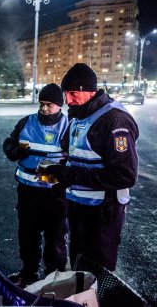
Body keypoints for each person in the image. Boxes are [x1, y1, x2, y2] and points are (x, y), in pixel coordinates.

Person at [40, 63, 139, 271]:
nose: (68, 100)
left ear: (89, 92)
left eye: (73, 94)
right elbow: (75, 156)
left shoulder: (114, 119)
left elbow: (125, 175)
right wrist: (59, 171)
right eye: (67, 94)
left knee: (97, 273)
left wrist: (70, 174)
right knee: (79, 267)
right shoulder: (79, 114)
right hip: (79, 208)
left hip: (103, 212)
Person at [2, 83, 69, 287]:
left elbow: (73, 157)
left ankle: (54, 278)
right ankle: (28, 272)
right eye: (42, 104)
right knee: (28, 236)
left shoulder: (68, 126)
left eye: (49, 104)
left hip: (55, 193)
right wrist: (16, 152)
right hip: (28, 192)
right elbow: (9, 144)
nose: (44, 108)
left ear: (59, 105)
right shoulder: (26, 122)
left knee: (56, 239)